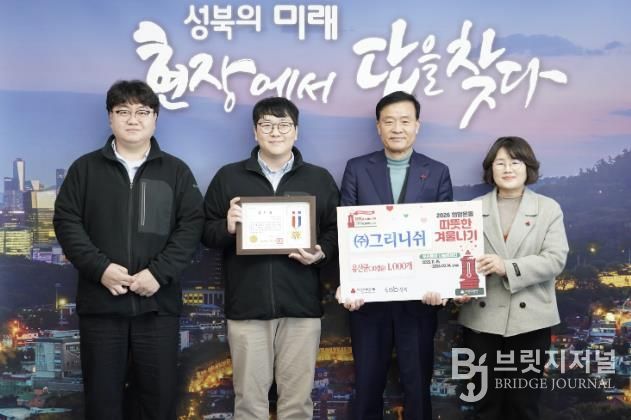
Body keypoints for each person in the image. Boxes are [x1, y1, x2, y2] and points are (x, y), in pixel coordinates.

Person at [53, 80, 204, 420]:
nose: (133, 119)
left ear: (155, 118)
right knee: (102, 403)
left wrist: (158, 273)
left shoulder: (176, 171)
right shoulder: (85, 169)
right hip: (102, 306)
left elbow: (191, 226)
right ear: (110, 118)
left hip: (157, 306)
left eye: (142, 112)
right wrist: (101, 269)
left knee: (158, 402)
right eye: (123, 112)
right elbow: (66, 222)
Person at [202, 97, 339, 419]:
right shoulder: (229, 177)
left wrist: (321, 252)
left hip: (301, 307)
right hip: (247, 308)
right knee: (249, 403)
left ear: (296, 131)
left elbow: (336, 231)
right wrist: (227, 226)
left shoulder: (318, 178)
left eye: (283, 125)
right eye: (266, 125)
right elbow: (205, 232)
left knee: (297, 404)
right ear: (255, 131)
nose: (275, 132)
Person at [337, 91, 453, 419]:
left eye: (405, 121)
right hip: (368, 302)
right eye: (389, 121)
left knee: (417, 389)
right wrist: (350, 283)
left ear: (417, 125)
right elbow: (347, 230)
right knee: (367, 388)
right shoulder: (357, 168)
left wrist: (441, 283)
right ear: (378, 127)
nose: (397, 128)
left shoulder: (437, 171)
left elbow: (443, 235)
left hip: (419, 302)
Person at [457, 136, 569, 420]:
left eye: (515, 162)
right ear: (490, 169)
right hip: (481, 321)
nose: (508, 169)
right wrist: (456, 290)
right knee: (484, 406)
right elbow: (458, 260)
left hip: (531, 323)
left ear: (528, 167)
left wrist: (506, 267)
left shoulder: (548, 209)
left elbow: (555, 259)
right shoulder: (470, 209)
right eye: (500, 163)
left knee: (524, 407)